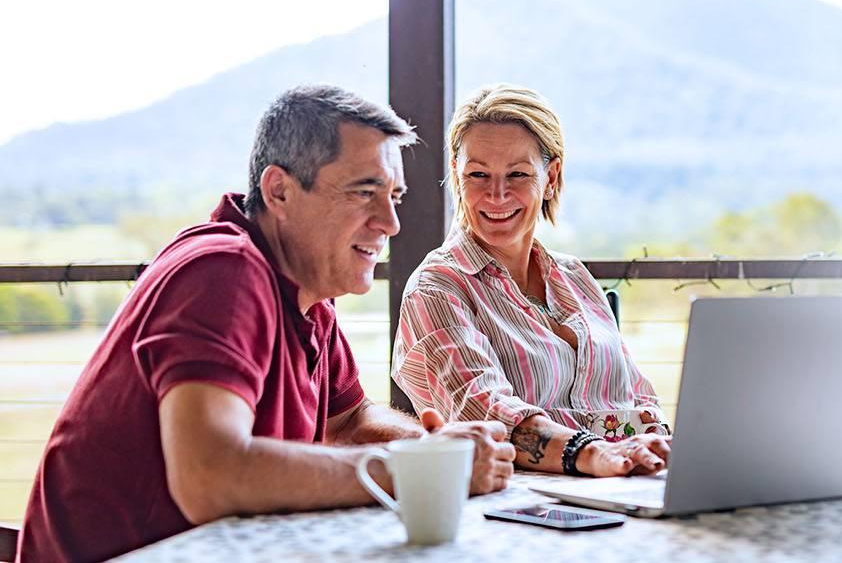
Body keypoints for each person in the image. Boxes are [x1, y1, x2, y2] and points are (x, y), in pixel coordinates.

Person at [18, 86, 516, 563]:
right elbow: (211, 475)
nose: (390, 222)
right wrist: (416, 471)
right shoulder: (222, 271)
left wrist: (439, 453)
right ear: (279, 191)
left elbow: (350, 423)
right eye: (365, 192)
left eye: (395, 197)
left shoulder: (309, 292)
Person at [392, 84, 671, 478]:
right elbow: (485, 412)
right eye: (478, 174)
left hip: (628, 482)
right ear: (458, 177)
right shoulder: (437, 287)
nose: (497, 193)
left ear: (551, 177)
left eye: (518, 174)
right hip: (519, 503)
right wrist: (595, 454)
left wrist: (659, 444)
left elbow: (639, 396)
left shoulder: (575, 277)